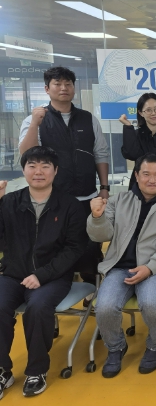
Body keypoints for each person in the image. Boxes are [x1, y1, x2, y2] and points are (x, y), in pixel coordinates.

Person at [87, 154, 156, 378]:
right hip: (119, 268)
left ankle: (155, 345)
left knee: (151, 304)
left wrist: (150, 268)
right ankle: (116, 347)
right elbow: (99, 236)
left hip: (155, 269)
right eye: (146, 174)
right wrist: (96, 217)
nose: (152, 179)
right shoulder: (119, 200)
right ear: (136, 175)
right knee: (104, 307)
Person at [0, 146, 87, 398]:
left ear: (55, 171)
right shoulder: (9, 202)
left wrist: (42, 275)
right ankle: (3, 370)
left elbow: (74, 248)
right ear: (24, 170)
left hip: (54, 276)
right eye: (32, 165)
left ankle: (36, 370)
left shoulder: (70, 205)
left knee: (38, 307)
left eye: (45, 166)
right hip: (14, 274)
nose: (38, 171)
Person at [18, 66, 110, 285]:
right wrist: (35, 123)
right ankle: (56, 287)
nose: (63, 88)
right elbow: (27, 154)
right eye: (57, 84)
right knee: (54, 247)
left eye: (68, 84)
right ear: (47, 89)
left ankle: (91, 287)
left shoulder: (88, 119)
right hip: (53, 200)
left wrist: (104, 187)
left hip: (87, 197)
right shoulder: (35, 119)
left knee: (89, 248)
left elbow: (101, 153)